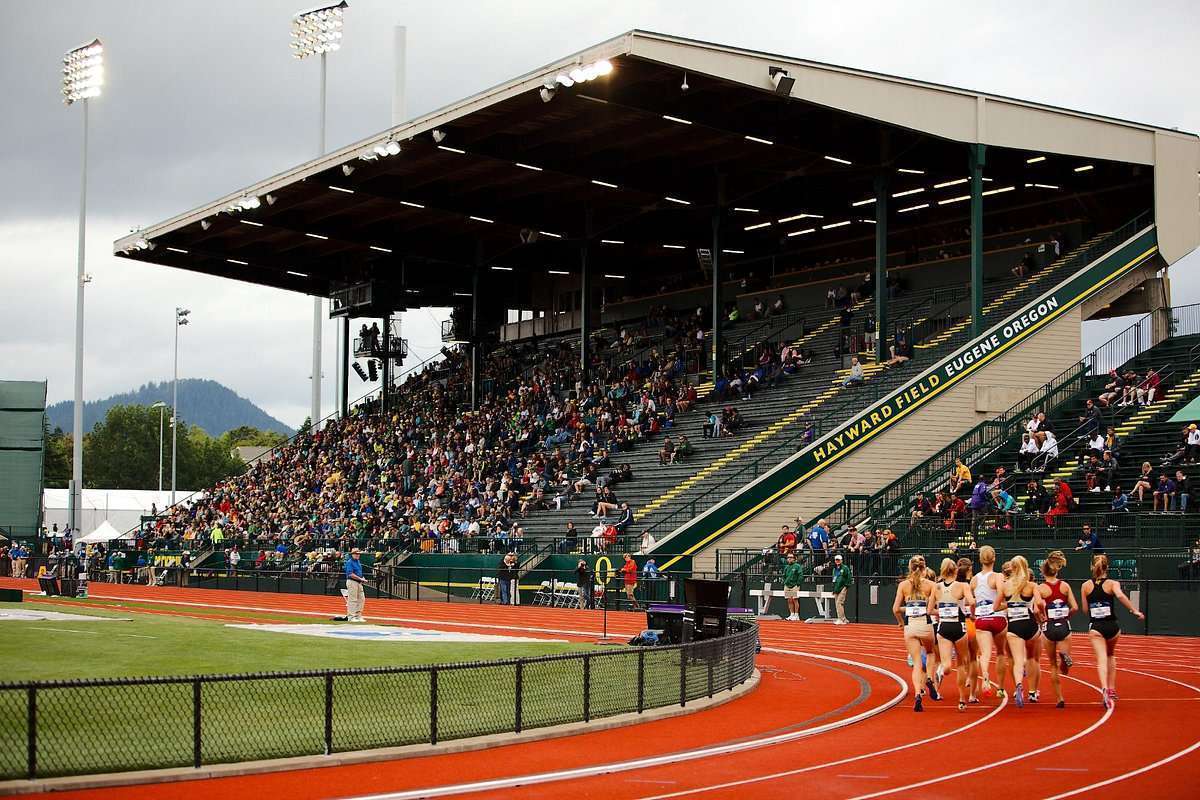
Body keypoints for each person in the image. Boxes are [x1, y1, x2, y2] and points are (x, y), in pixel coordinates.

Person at [1081, 554, 1145, 708]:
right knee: (1111, 655)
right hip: (1112, 627)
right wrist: (1134, 611)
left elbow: (1084, 609)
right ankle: (1111, 689)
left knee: (1101, 659)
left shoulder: (1085, 586)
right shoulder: (1112, 583)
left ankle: (1103, 688)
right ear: (1107, 568)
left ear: (1092, 567)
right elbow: (1121, 596)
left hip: (1096, 627)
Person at [892, 555, 941, 712]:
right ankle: (929, 678)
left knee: (917, 662)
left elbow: (895, 609)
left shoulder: (903, 585)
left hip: (910, 626)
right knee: (931, 652)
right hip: (925, 625)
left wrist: (900, 621)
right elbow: (930, 609)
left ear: (909, 568)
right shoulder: (932, 585)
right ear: (924, 568)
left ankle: (918, 694)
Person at [931, 557, 975, 712]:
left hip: (943, 627)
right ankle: (962, 699)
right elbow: (972, 602)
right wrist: (972, 614)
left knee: (947, 665)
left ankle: (941, 671)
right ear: (956, 570)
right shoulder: (963, 586)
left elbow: (930, 610)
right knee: (962, 664)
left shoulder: (936, 587)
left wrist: (941, 611)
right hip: (959, 627)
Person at [1002, 555, 1043, 708]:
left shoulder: (1006, 586)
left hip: (1014, 626)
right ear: (1025, 567)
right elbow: (1039, 602)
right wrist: (1042, 613)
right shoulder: (1031, 585)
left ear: (1012, 568)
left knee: (1018, 660)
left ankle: (1019, 685)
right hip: (1030, 625)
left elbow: (995, 606)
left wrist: (1011, 605)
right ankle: (1033, 692)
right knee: (1033, 659)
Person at [1037, 550, 1077, 708]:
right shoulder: (1065, 586)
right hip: (1063, 625)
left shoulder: (1040, 588)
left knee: (1052, 664)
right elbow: (1074, 607)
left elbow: (1035, 609)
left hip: (1048, 627)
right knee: (1064, 669)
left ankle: (1059, 698)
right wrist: (1066, 616)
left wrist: (1041, 617)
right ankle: (1065, 656)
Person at [972, 545, 1009, 700]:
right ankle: (1000, 687)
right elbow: (1002, 592)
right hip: (998, 617)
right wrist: (1004, 604)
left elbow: (972, 602)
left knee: (984, 653)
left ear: (981, 559)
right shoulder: (997, 576)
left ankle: (985, 676)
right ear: (994, 558)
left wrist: (975, 615)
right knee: (1001, 652)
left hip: (981, 618)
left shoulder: (974, 579)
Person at [343, 547, 367, 622]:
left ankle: (358, 615)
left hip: (358, 582)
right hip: (352, 581)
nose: (357, 555)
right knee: (352, 599)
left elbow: (358, 573)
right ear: (352, 554)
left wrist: (362, 578)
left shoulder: (358, 562)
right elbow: (350, 574)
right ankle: (351, 616)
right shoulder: (350, 562)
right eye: (356, 554)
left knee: (361, 599)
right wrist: (360, 579)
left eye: (358, 554)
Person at [830, 553, 853, 624]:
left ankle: (840, 619)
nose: (837, 561)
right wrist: (833, 589)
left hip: (842, 587)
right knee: (838, 604)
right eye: (836, 560)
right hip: (836, 588)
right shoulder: (834, 569)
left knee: (839, 603)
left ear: (841, 560)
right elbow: (834, 579)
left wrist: (846, 586)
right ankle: (843, 619)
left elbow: (849, 577)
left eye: (839, 560)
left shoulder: (845, 568)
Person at [782, 551, 804, 621]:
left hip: (794, 585)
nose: (789, 559)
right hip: (787, 585)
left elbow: (800, 575)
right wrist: (785, 582)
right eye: (788, 557)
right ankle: (791, 614)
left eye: (791, 557)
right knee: (789, 600)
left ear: (794, 559)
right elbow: (784, 576)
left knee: (795, 599)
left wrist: (797, 584)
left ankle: (796, 615)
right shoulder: (786, 567)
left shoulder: (797, 566)